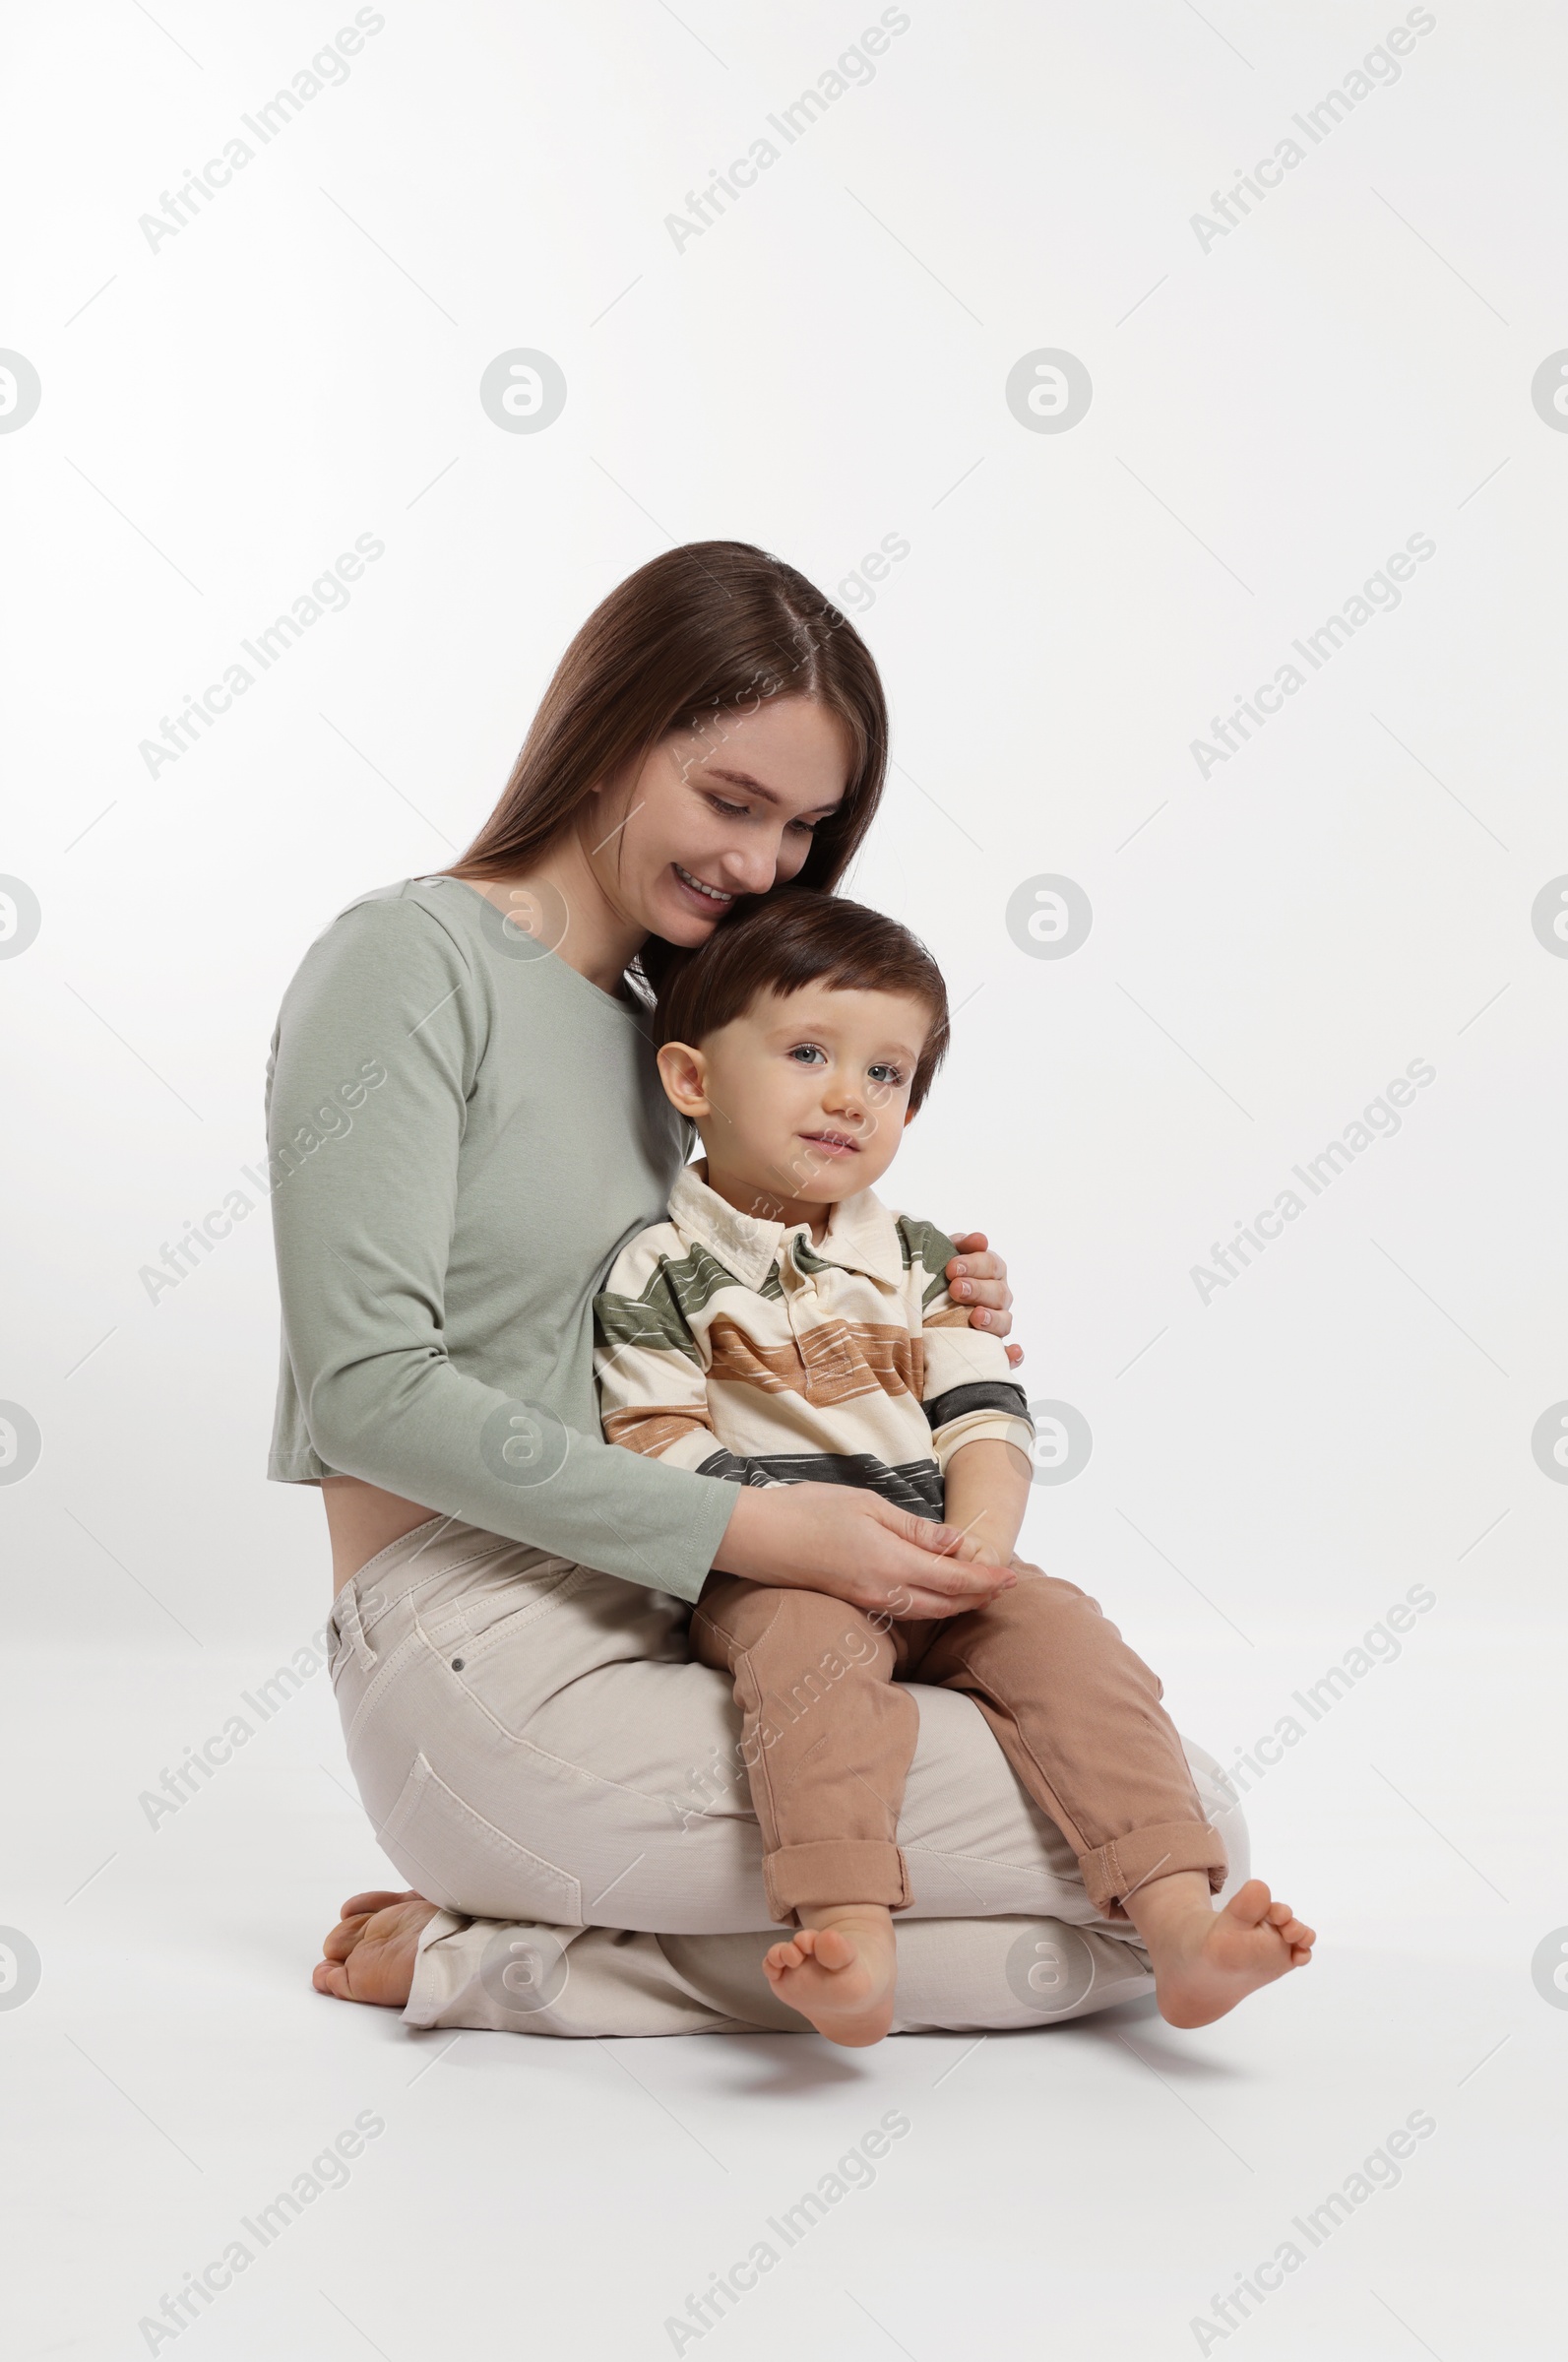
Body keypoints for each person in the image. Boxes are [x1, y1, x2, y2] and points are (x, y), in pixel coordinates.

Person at [285, 540, 1247, 2036]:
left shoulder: (683, 1026)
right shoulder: (410, 963)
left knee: (1141, 1877)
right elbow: (368, 1391)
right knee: (1181, 1834)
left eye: (802, 826)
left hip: (704, 1621)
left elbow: (727, 1306)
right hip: (484, 1655)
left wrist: (916, 1283)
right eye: (731, 801)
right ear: (605, 733)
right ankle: (506, 1947)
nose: (760, 865)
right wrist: (748, 1522)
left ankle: (538, 1940)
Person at [594, 892, 1315, 2045]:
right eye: (809, 1053)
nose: (850, 1095)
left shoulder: (928, 1261)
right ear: (691, 1080)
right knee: (811, 1665)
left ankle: (1179, 1919)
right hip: (772, 1571)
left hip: (936, 1555)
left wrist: (979, 1540)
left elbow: (982, 1409)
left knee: (1069, 1636)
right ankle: (848, 1930)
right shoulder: (661, 1266)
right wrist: (810, 1534)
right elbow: (657, 1445)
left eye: (889, 1074)